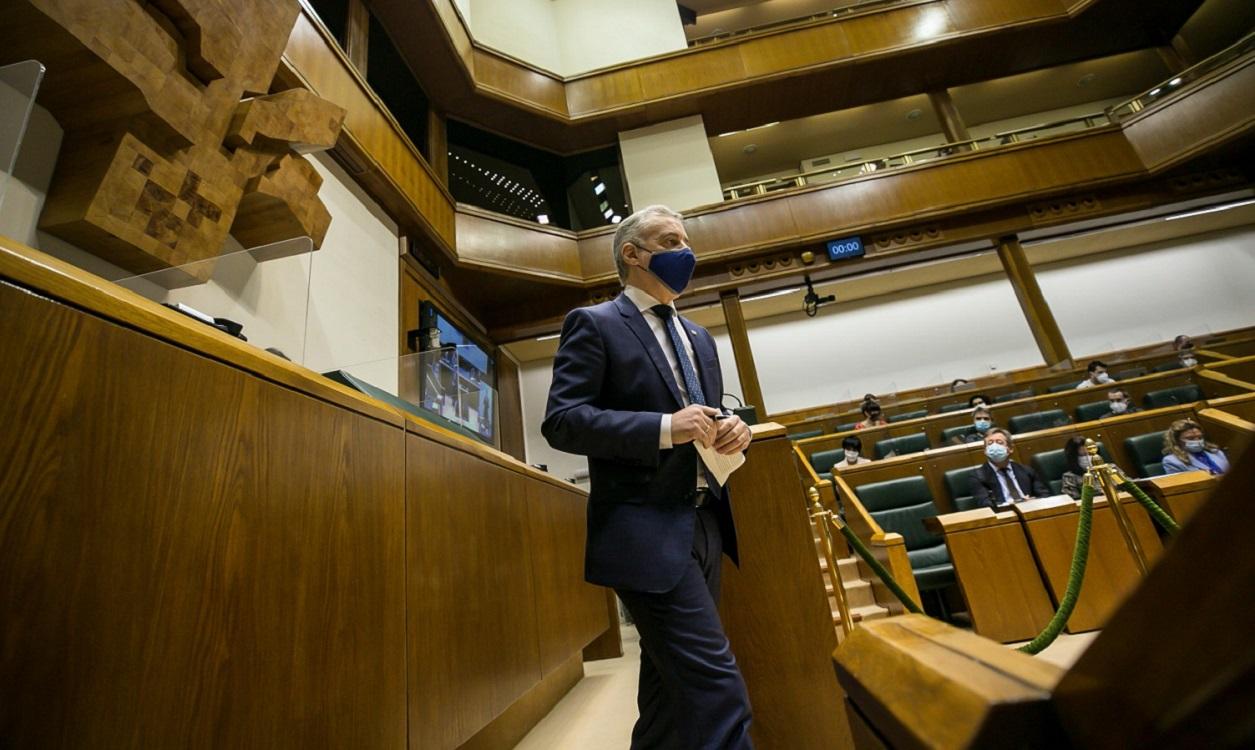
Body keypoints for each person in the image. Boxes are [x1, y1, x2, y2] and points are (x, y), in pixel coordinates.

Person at [542, 205, 754, 749]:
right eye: (670, 240)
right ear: (632, 254)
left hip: (706, 522)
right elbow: (563, 421)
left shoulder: (700, 338)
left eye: (686, 240)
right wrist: (664, 426)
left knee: (668, 694)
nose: (686, 251)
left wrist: (735, 430)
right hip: (643, 529)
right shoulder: (594, 323)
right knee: (717, 689)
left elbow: (704, 416)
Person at [969, 428, 1051, 509]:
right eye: (990, 443)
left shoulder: (1026, 470)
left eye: (999, 442)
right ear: (985, 450)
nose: (994, 446)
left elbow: (1044, 495)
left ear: (1010, 449)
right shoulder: (978, 476)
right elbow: (985, 505)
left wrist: (1033, 501)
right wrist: (1011, 505)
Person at [1162, 419, 1229, 476]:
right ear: (1176, 440)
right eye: (1190, 438)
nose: (1197, 441)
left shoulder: (1216, 452)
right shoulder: (1172, 461)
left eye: (1200, 437)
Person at [1060, 436, 1091, 500]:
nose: (1088, 457)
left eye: (1090, 453)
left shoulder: (1111, 468)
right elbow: (1074, 501)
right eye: (1083, 455)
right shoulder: (1069, 477)